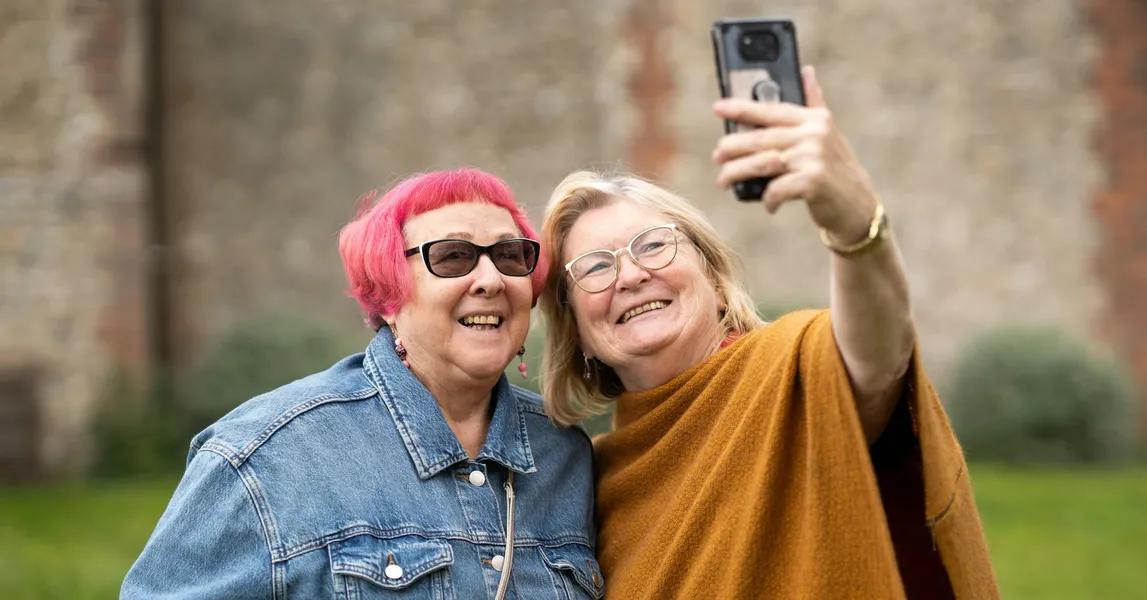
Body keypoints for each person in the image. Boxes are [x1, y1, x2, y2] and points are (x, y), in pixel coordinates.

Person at [538, 66, 999, 599]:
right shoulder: (592, 482)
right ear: (577, 328)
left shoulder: (790, 369)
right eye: (595, 267)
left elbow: (876, 361)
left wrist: (855, 227)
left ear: (712, 278)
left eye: (654, 245)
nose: (632, 275)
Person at [122, 168, 604, 600]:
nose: (490, 279)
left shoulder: (566, 456)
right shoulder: (262, 459)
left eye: (509, 256)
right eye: (453, 257)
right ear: (389, 294)